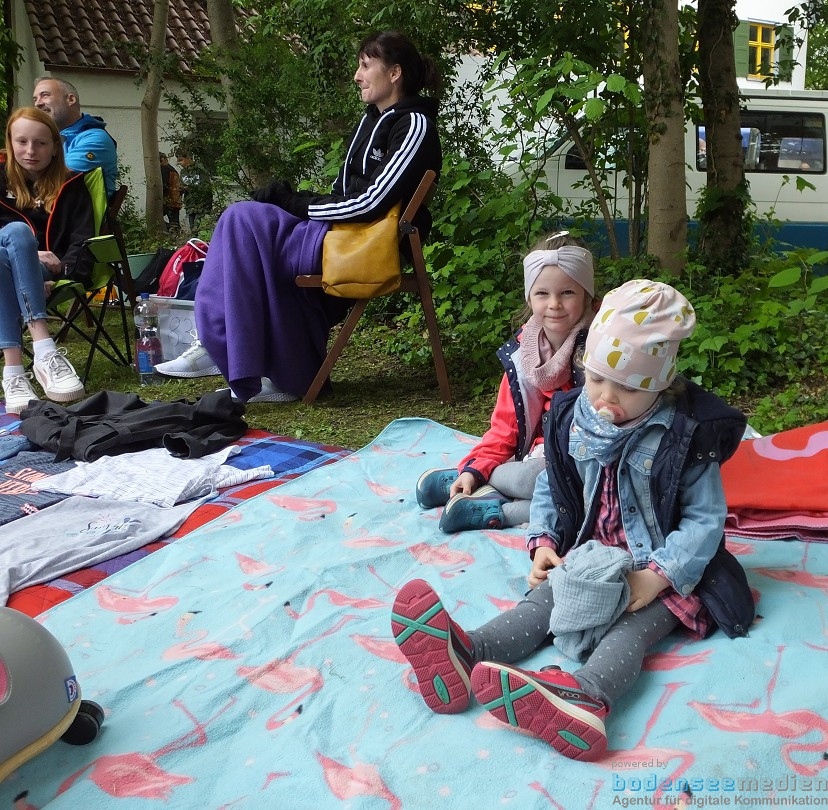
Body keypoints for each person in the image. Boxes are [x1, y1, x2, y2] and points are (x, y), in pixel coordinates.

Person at [391, 280, 754, 761]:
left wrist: (659, 577)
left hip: (661, 570)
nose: (605, 396)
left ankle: (585, 698)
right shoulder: (575, 417)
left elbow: (706, 520)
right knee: (543, 601)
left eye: (626, 387)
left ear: (661, 383)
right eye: (597, 378)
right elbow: (552, 486)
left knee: (630, 629)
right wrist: (543, 541)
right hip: (589, 555)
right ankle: (466, 654)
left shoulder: (685, 438)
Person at [154, 30, 443, 403]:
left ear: (394, 74)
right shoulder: (370, 120)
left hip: (366, 243)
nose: (357, 75)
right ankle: (264, 361)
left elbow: (371, 203)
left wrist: (295, 204)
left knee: (244, 222)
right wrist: (294, 199)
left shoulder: (413, 125)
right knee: (242, 219)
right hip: (340, 233)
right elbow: (343, 193)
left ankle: (221, 340)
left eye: (365, 65)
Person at [415, 232, 597, 533]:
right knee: (536, 481)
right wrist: (477, 465)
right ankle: (470, 476)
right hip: (533, 458)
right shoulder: (523, 354)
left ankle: (491, 505)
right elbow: (505, 426)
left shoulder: (601, 347)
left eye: (567, 293)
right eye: (542, 294)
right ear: (529, 296)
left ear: (587, 295)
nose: (554, 304)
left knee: (563, 498)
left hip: (578, 463)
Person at [1, 108, 93, 414]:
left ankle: (13, 372)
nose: (31, 151)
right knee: (13, 237)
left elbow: (83, 239)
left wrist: (60, 271)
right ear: (10, 143)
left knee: (11, 243)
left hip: (49, 271)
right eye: (22, 141)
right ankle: (43, 349)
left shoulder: (73, 184)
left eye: (41, 143)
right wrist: (27, 250)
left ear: (56, 146)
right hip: (12, 265)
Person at [32, 77, 118, 199]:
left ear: (70, 99)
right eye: (35, 99)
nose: (37, 103)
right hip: (47, 212)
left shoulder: (96, 139)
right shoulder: (50, 139)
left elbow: (54, 179)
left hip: (74, 217)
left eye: (45, 95)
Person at [177, 150, 213, 230]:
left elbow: (206, 186)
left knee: (197, 227)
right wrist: (180, 189)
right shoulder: (183, 172)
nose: (179, 163)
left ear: (188, 158)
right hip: (190, 205)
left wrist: (191, 188)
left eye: (181, 160)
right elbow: (181, 185)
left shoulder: (200, 169)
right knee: (192, 227)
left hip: (201, 204)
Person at [160, 152, 182, 232]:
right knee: (175, 222)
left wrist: (161, 199)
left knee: (157, 219)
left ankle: (175, 233)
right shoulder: (172, 169)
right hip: (176, 200)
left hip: (169, 200)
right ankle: (178, 235)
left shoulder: (164, 169)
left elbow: (164, 185)